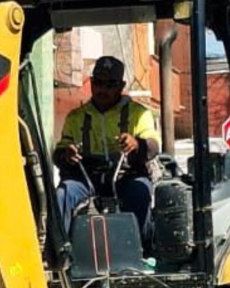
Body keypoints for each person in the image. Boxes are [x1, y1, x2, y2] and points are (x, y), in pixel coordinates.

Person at [53, 56, 162, 233]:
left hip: (126, 176)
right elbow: (59, 152)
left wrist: (136, 144)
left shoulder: (138, 114)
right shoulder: (76, 117)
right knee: (63, 193)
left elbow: (153, 145)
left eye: (110, 85)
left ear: (121, 86)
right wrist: (67, 153)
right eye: (98, 83)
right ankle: (61, 252)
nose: (102, 89)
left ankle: (142, 249)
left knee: (140, 191)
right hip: (87, 178)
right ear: (92, 83)